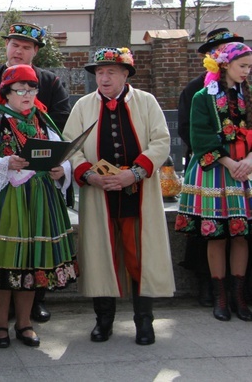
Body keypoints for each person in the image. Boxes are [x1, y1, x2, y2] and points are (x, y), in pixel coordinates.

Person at [63, 47, 175, 346]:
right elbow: (69, 147)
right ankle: (103, 320)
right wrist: (89, 174)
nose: (104, 77)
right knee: (102, 255)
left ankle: (144, 321)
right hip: (99, 196)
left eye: (111, 71)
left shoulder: (146, 102)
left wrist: (134, 173)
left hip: (138, 193)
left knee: (140, 255)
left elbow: (161, 141)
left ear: (126, 75)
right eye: (99, 72)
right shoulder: (83, 106)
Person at [0, 64, 78, 348]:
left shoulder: (43, 118)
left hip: (40, 198)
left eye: (32, 89)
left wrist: (62, 169)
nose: (27, 95)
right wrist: (5, 163)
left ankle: (24, 323)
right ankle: (0, 323)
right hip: (6, 200)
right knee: (4, 262)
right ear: (7, 92)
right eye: (20, 90)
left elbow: (62, 150)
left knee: (32, 263)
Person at [175, 42, 252, 322]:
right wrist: (230, 162)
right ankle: (220, 295)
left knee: (242, 234)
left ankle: (239, 296)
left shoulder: (249, 95)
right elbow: (199, 137)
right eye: (242, 66)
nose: (246, 71)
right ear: (225, 65)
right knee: (217, 234)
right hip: (216, 168)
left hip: (246, 168)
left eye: (249, 67)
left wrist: (249, 161)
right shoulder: (202, 97)